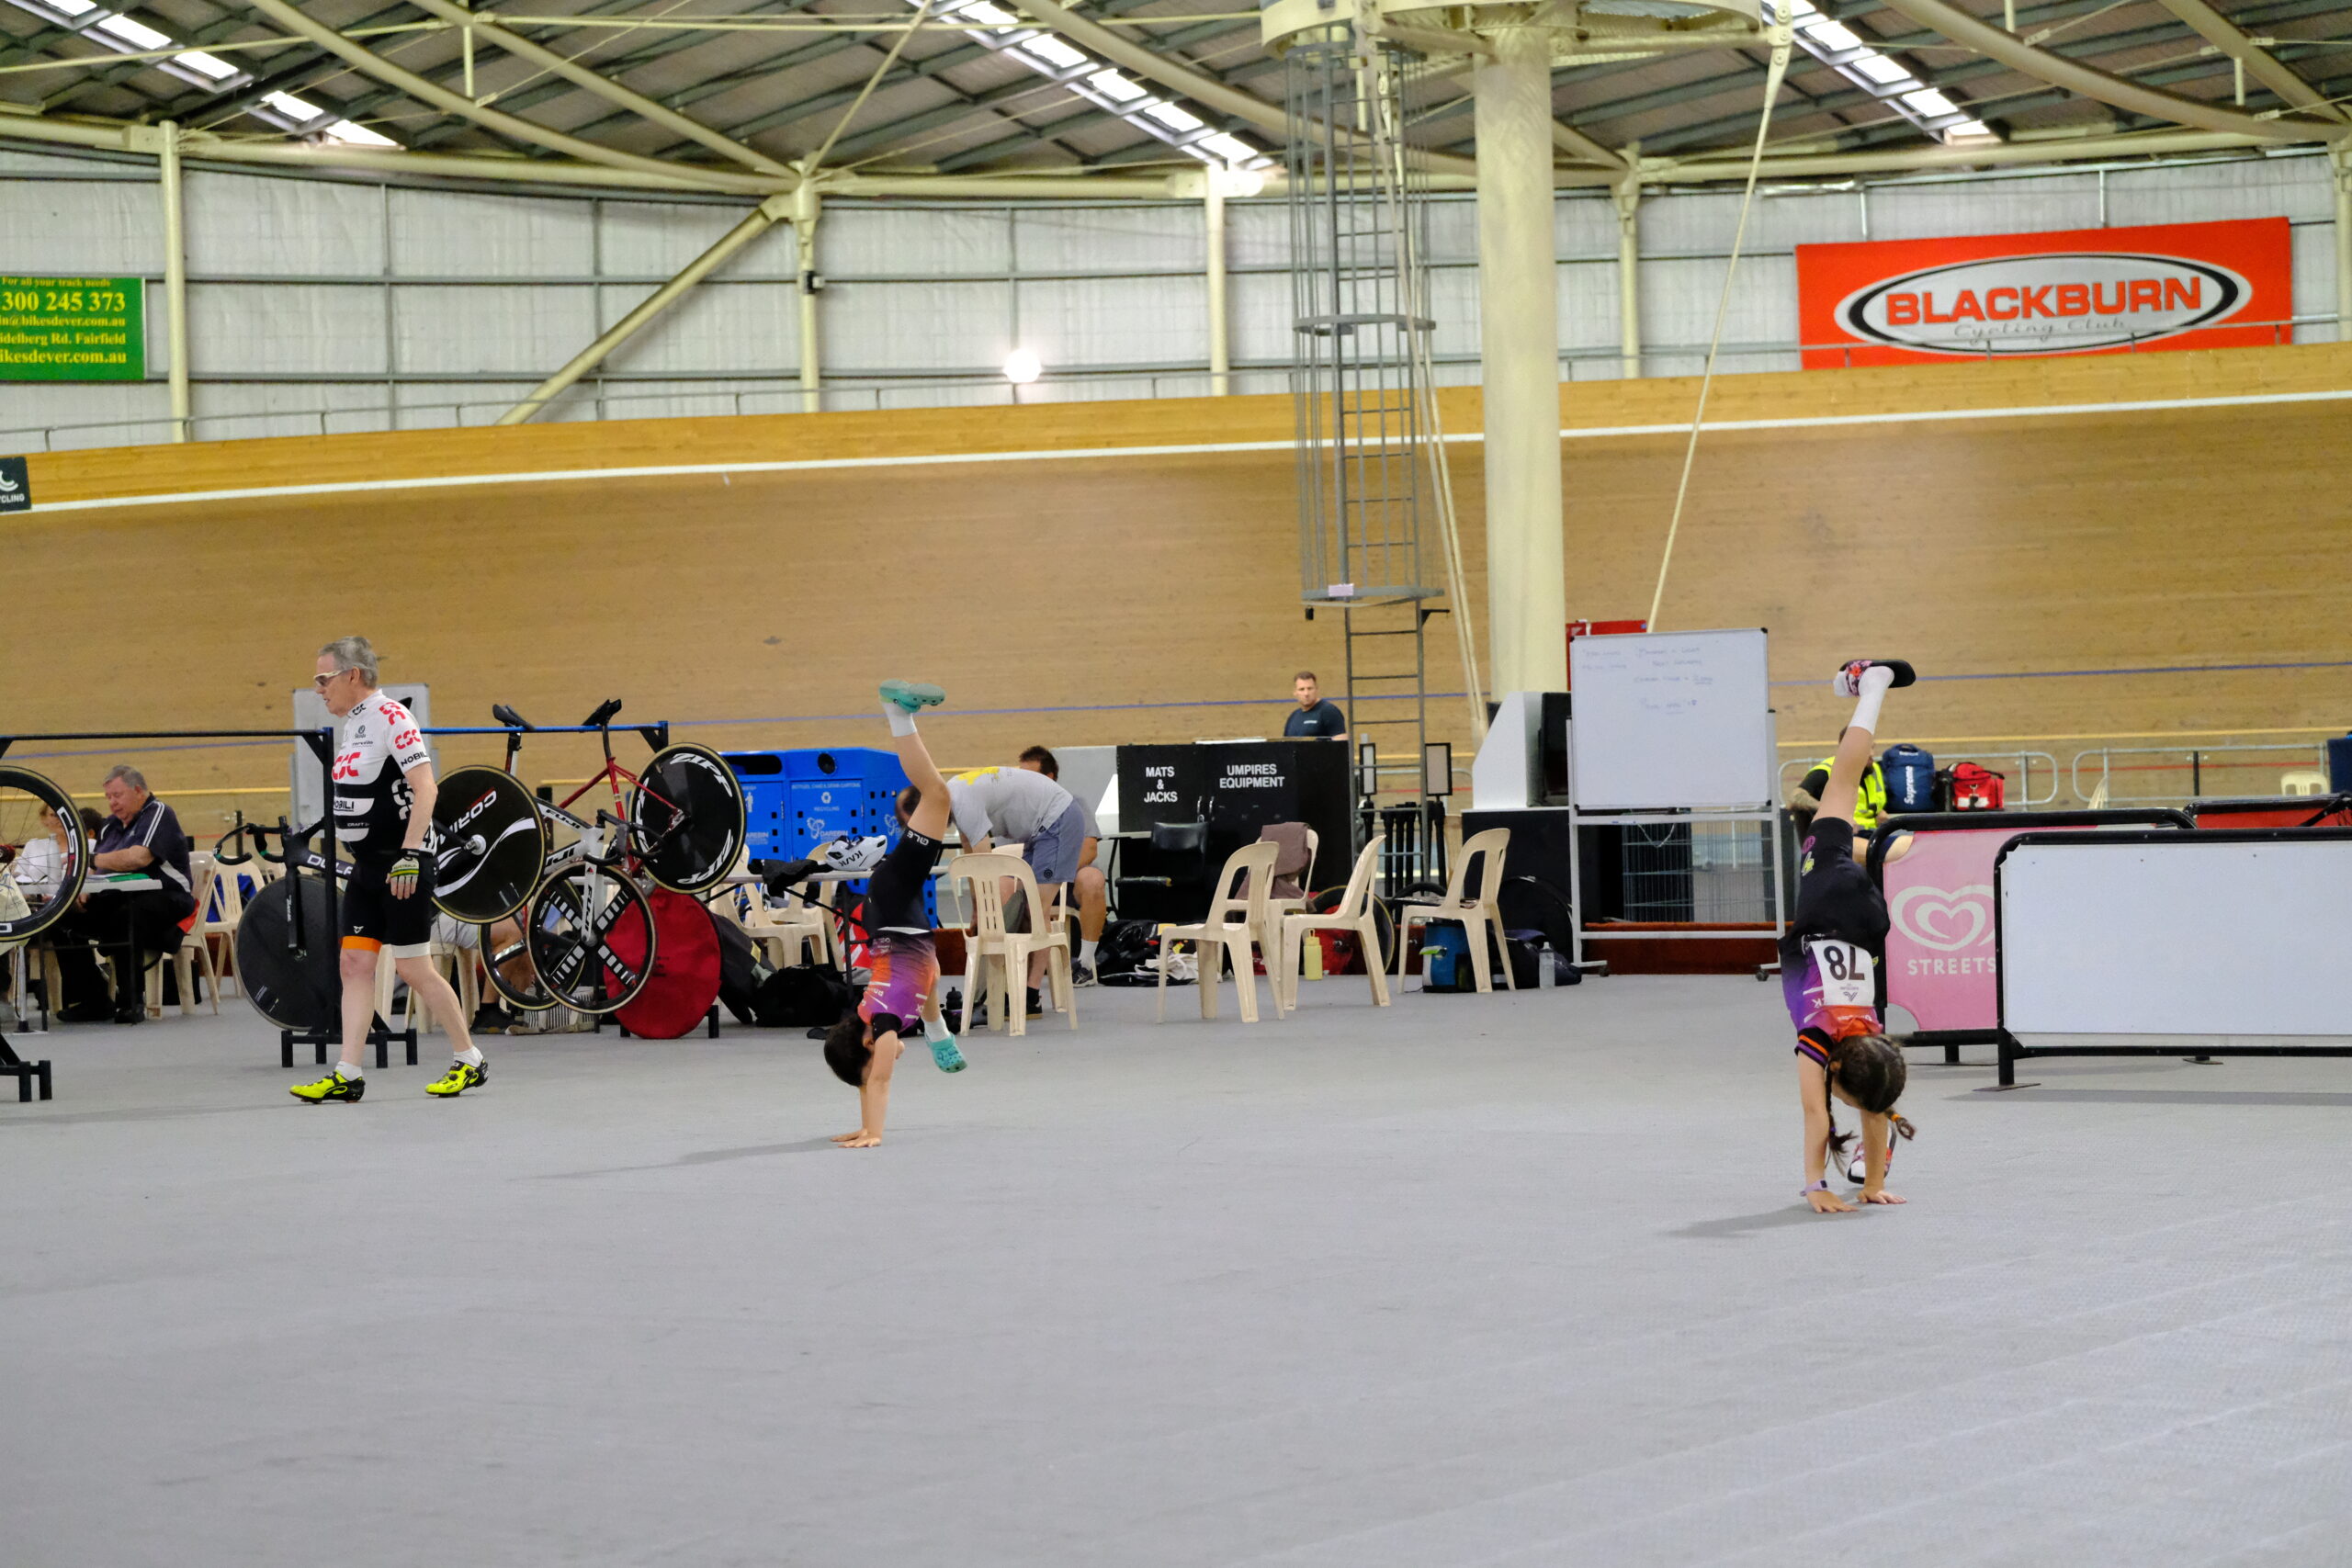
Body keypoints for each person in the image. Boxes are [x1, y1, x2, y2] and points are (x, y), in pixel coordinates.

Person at [289, 637, 487, 1102]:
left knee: (413, 968)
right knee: (354, 964)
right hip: (368, 866)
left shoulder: (392, 717)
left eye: (323, 678)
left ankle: (470, 1059)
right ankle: (348, 1072)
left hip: (403, 866)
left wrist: (410, 854)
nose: (318, 689)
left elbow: (426, 788)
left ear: (352, 675)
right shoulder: (354, 725)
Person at [1780, 659, 1920, 1213]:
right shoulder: (1820, 1041)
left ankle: (1869, 688)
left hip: (1869, 920)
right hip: (1827, 900)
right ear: (1835, 1070)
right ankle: (1873, 684)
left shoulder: (1872, 1040)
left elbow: (1873, 1102)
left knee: (1842, 789)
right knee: (1842, 781)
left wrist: (1871, 1184)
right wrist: (1815, 1186)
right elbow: (1817, 1113)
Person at [820, 681, 967, 1148]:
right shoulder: (885, 1012)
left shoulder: (884, 1025)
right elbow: (929, 980)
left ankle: (897, 713)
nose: (888, 1060)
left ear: (869, 1045)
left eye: (876, 1060)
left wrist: (875, 1133)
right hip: (892, 909)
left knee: (937, 795)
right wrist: (939, 1039)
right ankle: (940, 1038)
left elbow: (879, 1081)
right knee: (936, 797)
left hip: (894, 899)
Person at [50, 766, 197, 1024]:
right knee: (61, 918)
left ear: (138, 791)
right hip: (120, 895)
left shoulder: (158, 813)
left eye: (117, 795)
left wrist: (91, 859)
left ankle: (131, 1002)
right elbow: (99, 867)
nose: (112, 802)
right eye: (108, 797)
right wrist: (84, 887)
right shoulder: (110, 825)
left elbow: (137, 858)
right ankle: (94, 999)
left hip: (167, 896)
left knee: (126, 915)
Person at [947, 758, 1084, 1015]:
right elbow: (971, 857)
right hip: (1037, 830)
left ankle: (1031, 994)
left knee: (1035, 910)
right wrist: (977, 909)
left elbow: (984, 862)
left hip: (1058, 819)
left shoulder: (961, 802)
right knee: (1023, 909)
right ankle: (1016, 988)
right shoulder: (955, 797)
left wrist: (988, 913)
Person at [1016, 745, 1106, 983]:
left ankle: (1085, 964)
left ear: (1049, 778)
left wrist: (1054, 875)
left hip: (1066, 880)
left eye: (1030, 778)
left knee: (1093, 879)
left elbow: (1089, 849)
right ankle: (1010, 965)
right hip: (1030, 882)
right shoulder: (1015, 810)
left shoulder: (1074, 804)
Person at [1788, 736, 1886, 835]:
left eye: (1872, 747)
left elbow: (1867, 804)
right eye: (1866, 749)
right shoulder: (1828, 771)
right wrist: (1831, 811)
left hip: (1872, 833)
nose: (1872, 754)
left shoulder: (1873, 769)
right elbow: (1795, 797)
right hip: (1843, 835)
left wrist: (1879, 811)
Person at [1283, 671, 1347, 742]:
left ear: (1316, 689)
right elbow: (1285, 745)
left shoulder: (1329, 712)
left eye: (1310, 688)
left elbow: (1341, 744)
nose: (1306, 693)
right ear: (1295, 692)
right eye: (1302, 689)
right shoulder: (1293, 717)